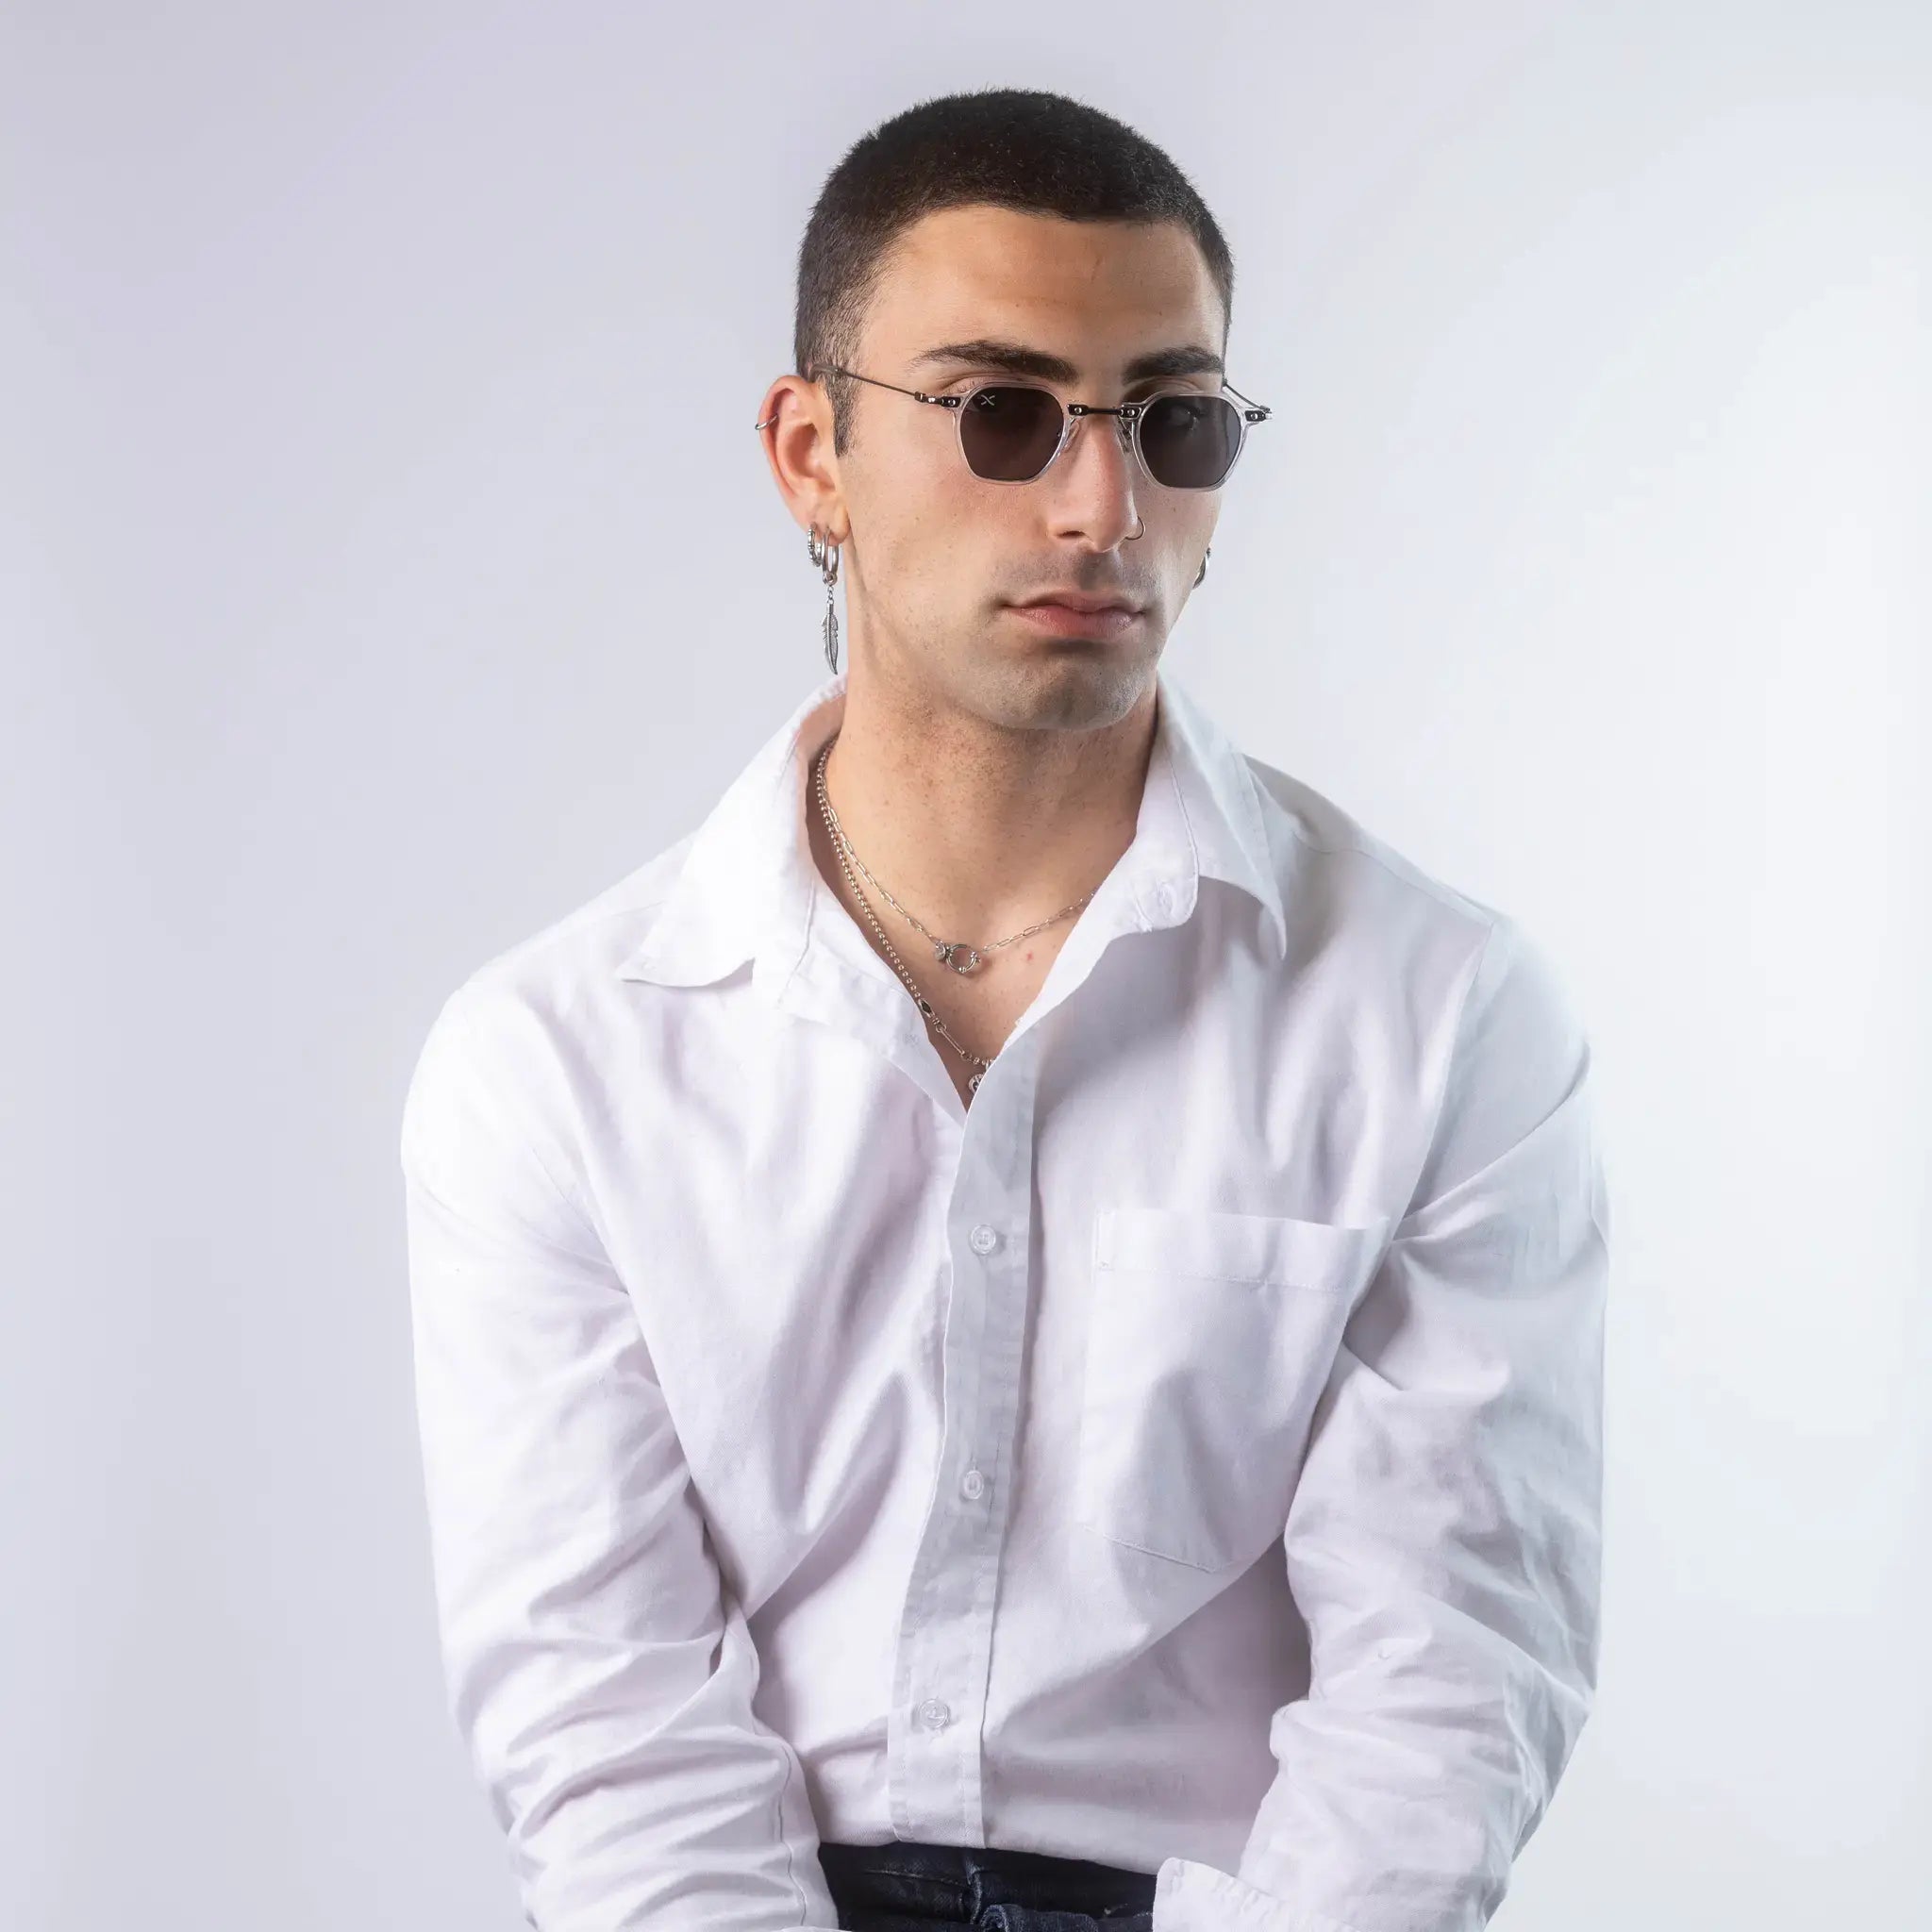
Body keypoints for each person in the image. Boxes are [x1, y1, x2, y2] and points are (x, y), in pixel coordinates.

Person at [399, 87, 1610, 1932]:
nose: (1101, 503)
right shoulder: (557, 1063)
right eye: (1003, 412)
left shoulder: (1438, 1015)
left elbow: (1444, 1703)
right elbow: (607, 1732)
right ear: (810, 452)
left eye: (1173, 421)